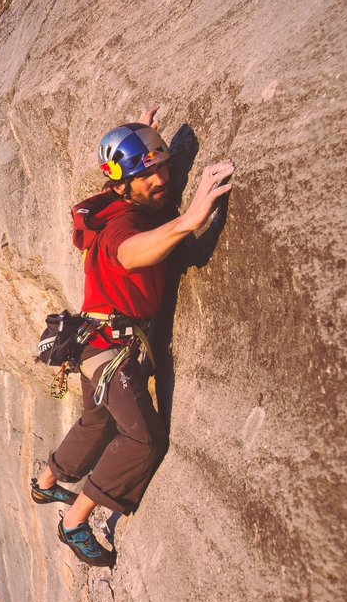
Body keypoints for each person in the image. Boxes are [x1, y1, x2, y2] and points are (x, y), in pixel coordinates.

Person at [30, 106, 235, 567]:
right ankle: (75, 521)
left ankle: (46, 484)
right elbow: (128, 253)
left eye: (164, 168)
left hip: (92, 340)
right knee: (143, 440)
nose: (162, 180)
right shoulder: (124, 224)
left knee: (97, 421)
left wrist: (144, 139)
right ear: (124, 185)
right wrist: (189, 219)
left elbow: (124, 191)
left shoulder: (109, 206)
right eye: (150, 176)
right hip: (111, 350)